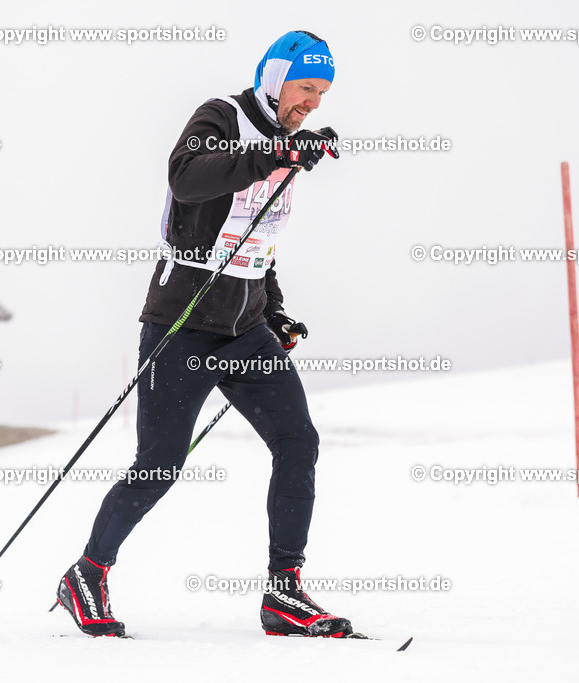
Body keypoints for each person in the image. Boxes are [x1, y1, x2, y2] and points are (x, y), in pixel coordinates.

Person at [55, 30, 351, 638]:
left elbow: (256, 242)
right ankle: (87, 572)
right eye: (305, 88)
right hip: (182, 323)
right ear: (274, 78)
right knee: (159, 466)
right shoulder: (222, 118)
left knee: (299, 443)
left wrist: (274, 314)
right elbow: (188, 177)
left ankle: (283, 593)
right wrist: (275, 155)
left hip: (245, 330)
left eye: (322, 93)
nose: (313, 103)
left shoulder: (288, 143)